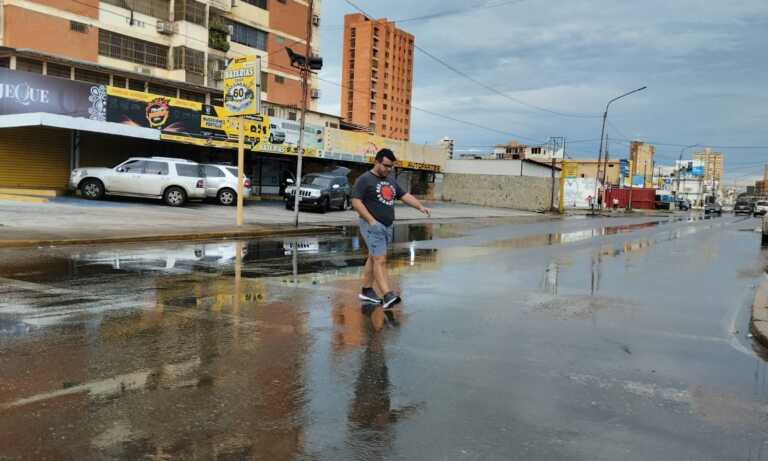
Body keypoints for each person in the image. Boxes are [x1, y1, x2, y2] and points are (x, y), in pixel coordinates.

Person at [352, 148, 431, 308]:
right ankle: (387, 295)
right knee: (380, 259)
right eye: (386, 165)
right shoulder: (364, 179)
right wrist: (371, 221)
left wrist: (420, 206)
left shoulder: (390, 180)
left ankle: (367, 291)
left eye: (391, 167)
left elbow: (404, 195)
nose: (388, 169)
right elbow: (356, 202)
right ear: (377, 162)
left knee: (373, 257)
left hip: (387, 226)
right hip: (372, 225)